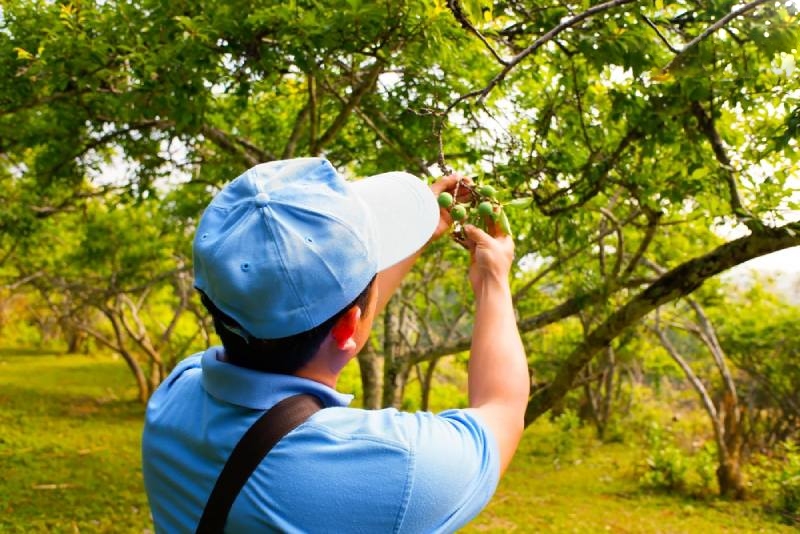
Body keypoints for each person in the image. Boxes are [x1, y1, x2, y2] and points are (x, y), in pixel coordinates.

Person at [141, 157, 529, 533]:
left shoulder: (176, 395)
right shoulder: (398, 467)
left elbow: (331, 324)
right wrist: (493, 279)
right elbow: (503, 410)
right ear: (349, 325)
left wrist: (416, 234)